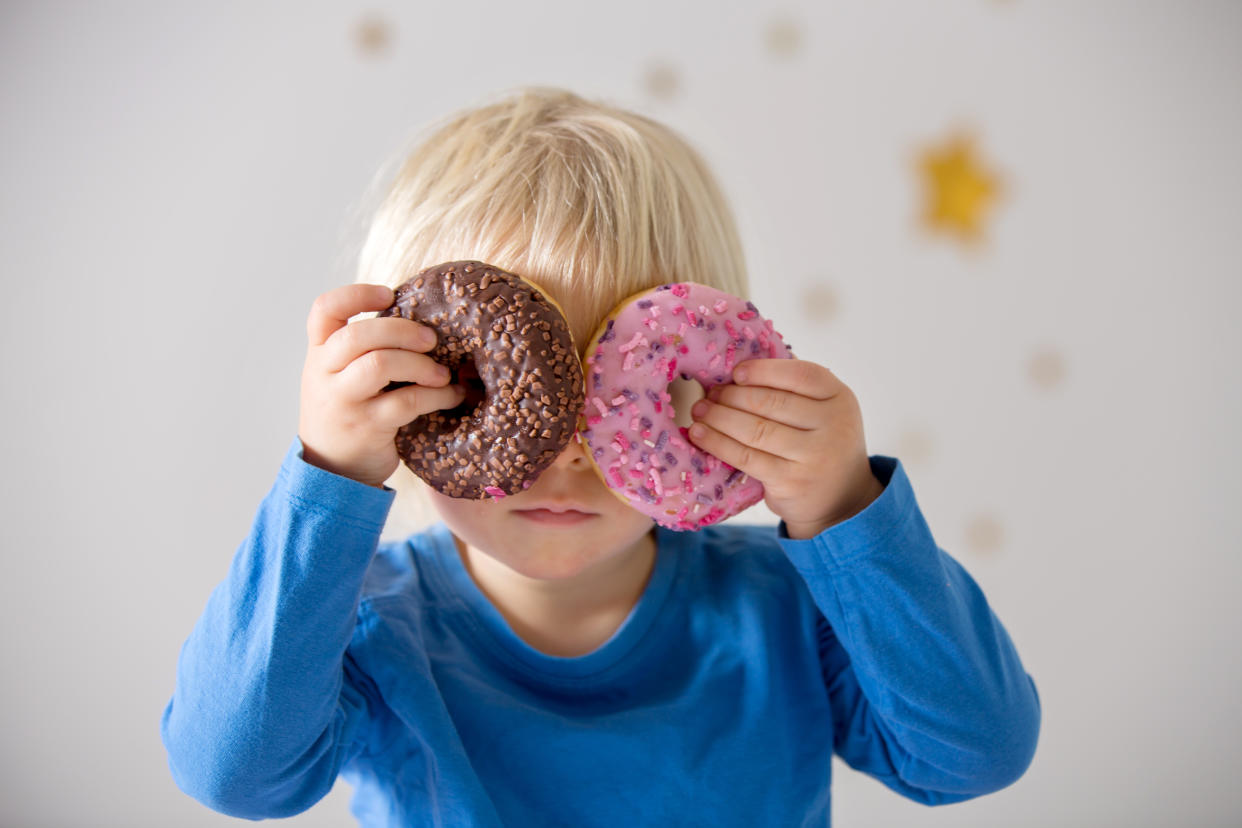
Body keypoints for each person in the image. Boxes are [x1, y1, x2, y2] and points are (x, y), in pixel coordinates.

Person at [161, 87, 1040, 826]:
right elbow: (235, 774)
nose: (568, 453)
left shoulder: (784, 612)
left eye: (628, 392)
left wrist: (845, 506)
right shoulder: (370, 630)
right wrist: (330, 478)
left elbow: (970, 755)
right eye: (496, 394)